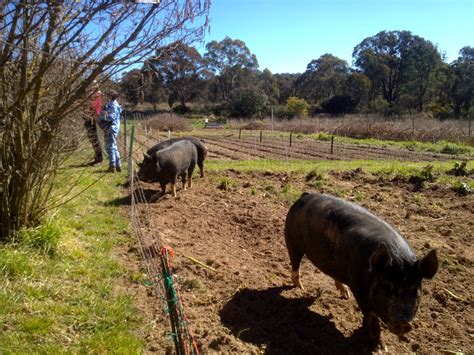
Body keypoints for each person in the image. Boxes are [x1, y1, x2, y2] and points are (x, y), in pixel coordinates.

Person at [99, 92, 122, 172]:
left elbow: (111, 117)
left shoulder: (113, 105)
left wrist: (102, 116)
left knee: (110, 147)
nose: (105, 97)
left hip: (111, 128)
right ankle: (118, 165)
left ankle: (112, 166)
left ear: (110, 96)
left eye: (107, 95)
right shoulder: (111, 104)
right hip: (113, 128)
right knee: (113, 146)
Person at [85, 89, 104, 165]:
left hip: (91, 121)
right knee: (92, 139)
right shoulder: (90, 100)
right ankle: (97, 158)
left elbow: (96, 111)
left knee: (94, 139)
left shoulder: (96, 100)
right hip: (88, 120)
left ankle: (99, 159)